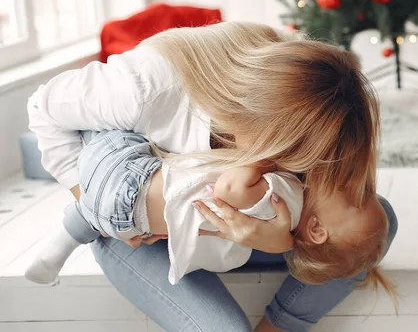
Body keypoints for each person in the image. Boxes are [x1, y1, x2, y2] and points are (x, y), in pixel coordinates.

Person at [27, 22, 398, 332]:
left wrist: (280, 241)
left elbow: (326, 226)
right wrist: (93, 205)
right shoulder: (146, 88)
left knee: (377, 225)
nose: (305, 169)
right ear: (266, 121)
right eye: (294, 153)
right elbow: (43, 108)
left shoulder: (315, 104)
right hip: (133, 229)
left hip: (232, 233)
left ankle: (281, 325)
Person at [25, 129, 387, 289]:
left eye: (357, 199)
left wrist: (266, 156)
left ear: (318, 229)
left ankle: (67, 220)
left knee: (103, 132)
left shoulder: (286, 198)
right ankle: (63, 240)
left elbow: (232, 186)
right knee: (95, 200)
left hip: (129, 177)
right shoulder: (273, 229)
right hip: (130, 222)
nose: (355, 186)